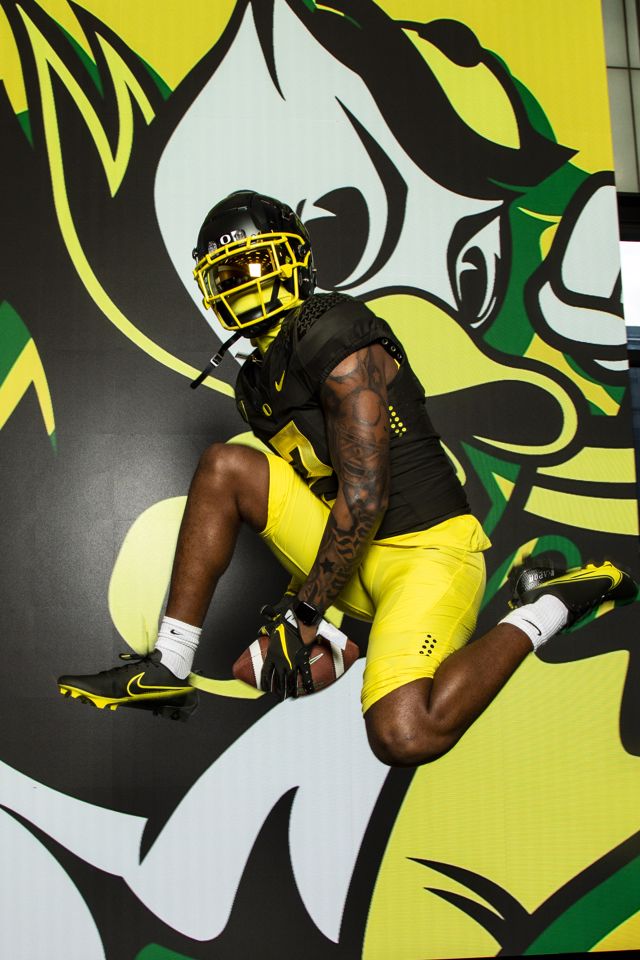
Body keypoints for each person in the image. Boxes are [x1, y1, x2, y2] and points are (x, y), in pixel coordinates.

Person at [58, 191, 637, 766]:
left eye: (256, 265)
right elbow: (322, 495)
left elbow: (365, 495)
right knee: (225, 472)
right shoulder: (254, 384)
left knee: (405, 734)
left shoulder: (334, 331)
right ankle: (170, 664)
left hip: (428, 552)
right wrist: (302, 612)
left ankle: (550, 604)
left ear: (295, 261)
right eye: (228, 275)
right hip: (358, 556)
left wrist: (305, 614)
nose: (244, 285)